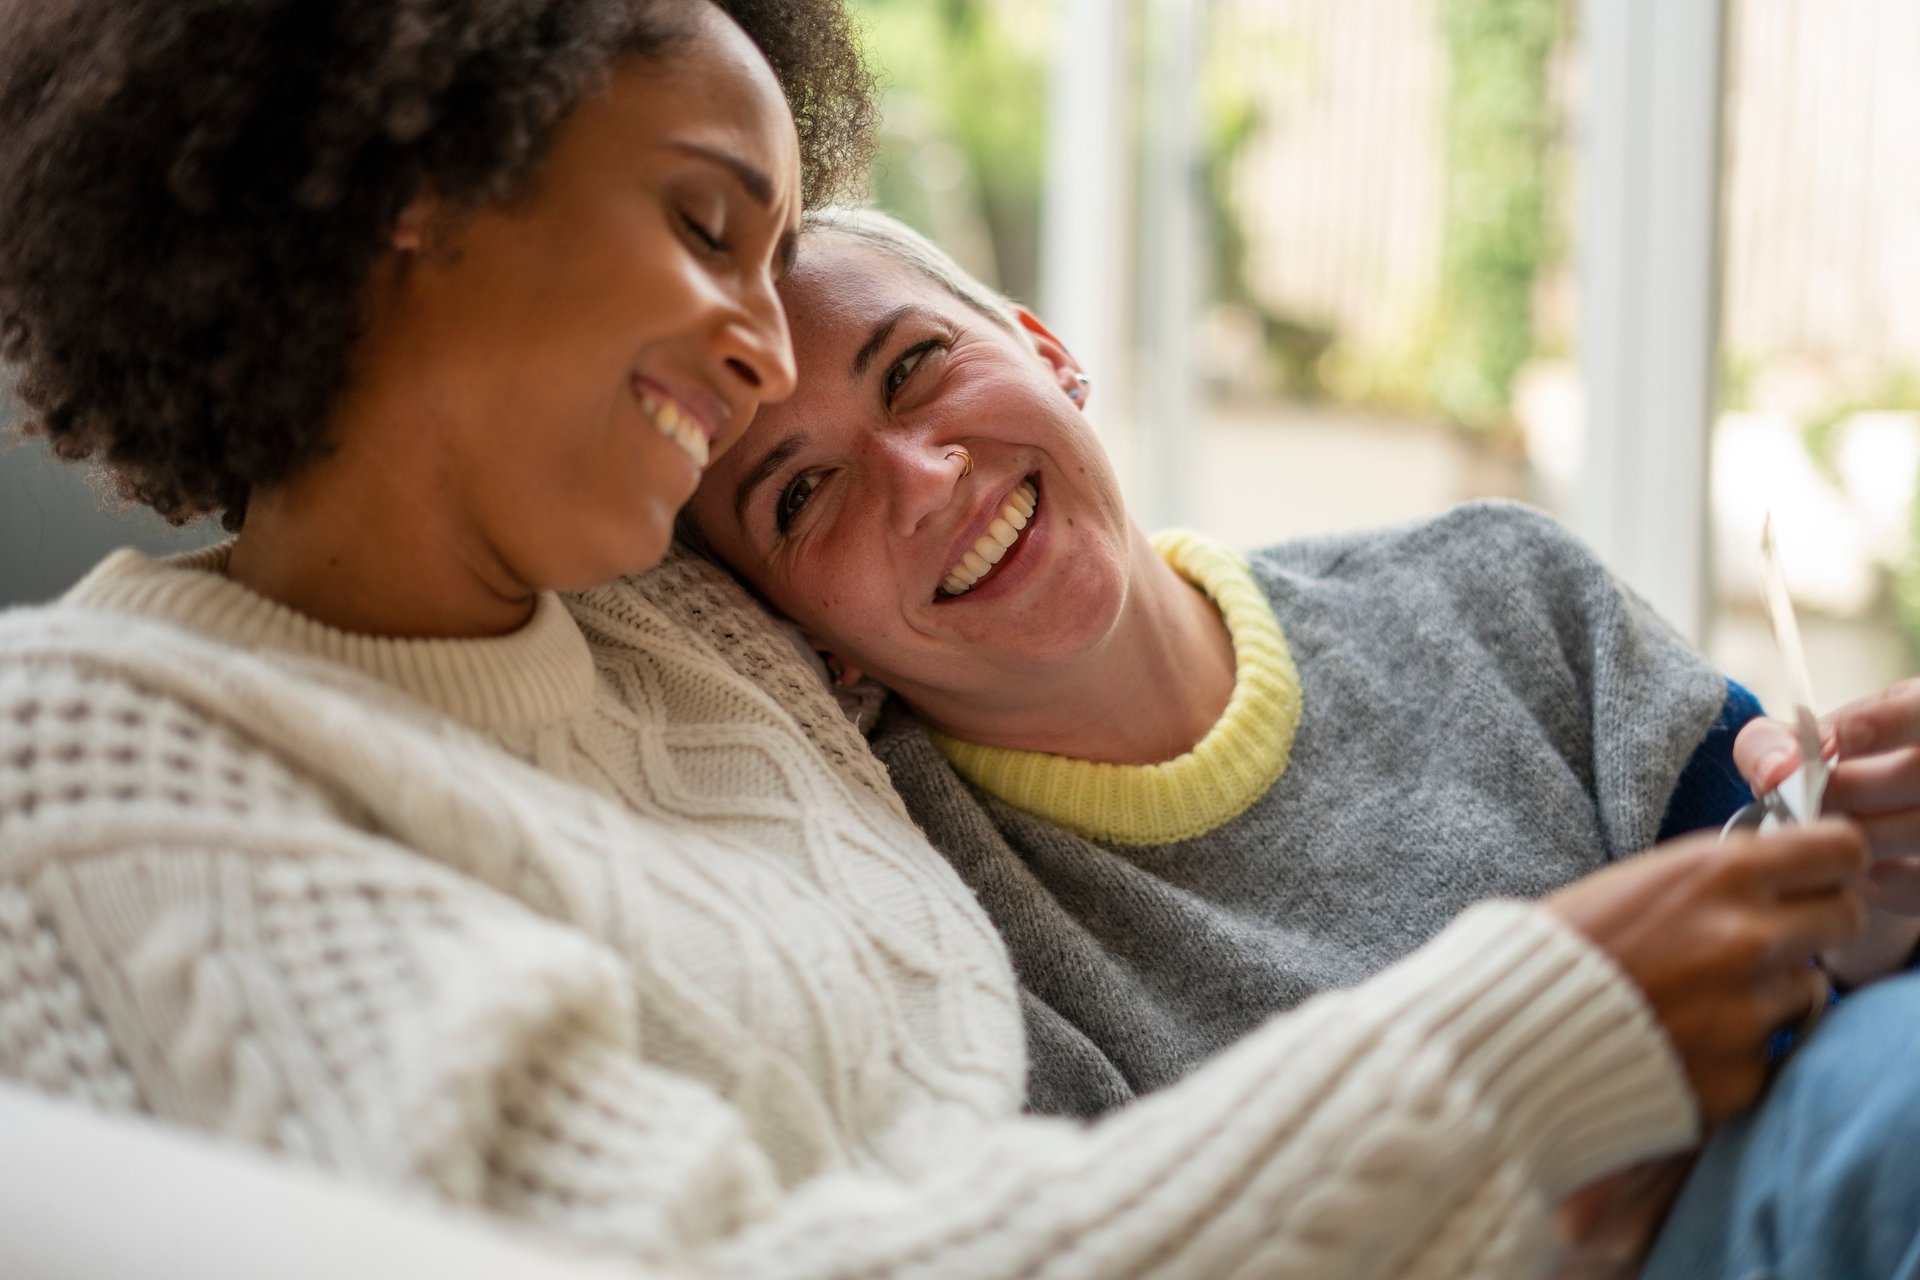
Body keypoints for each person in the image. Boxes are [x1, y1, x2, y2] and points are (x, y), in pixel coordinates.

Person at [0, 7, 1874, 1278]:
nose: (758, 348)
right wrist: (1518, 1054)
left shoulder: (683, 634)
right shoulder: (109, 749)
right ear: (405, 201)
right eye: (707, 225)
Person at [683, 208, 1920, 1271]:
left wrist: (1875, 895)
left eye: (915, 366)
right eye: (802, 494)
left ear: (1048, 351)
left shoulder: (1507, 592)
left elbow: (1819, 957)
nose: (924, 471)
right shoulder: (927, 931)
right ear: (806, 641)